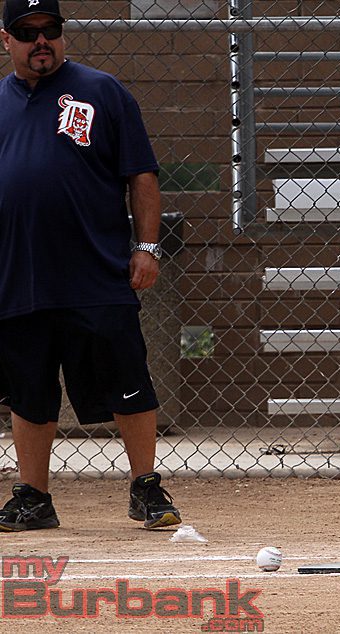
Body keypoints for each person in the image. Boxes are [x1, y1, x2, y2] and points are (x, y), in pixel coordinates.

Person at [0, 0, 181, 531]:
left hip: (95, 271)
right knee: (29, 392)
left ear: (62, 34)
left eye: (50, 29)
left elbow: (141, 176)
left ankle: (145, 487)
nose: (41, 40)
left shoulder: (102, 91)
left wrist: (147, 247)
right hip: (18, 275)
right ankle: (34, 497)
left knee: (128, 382)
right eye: (27, 31)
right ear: (6, 39)